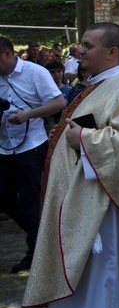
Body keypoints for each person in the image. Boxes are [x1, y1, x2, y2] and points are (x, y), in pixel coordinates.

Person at [22, 23, 119, 308]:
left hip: (102, 205)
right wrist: (66, 134)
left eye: (88, 45)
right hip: (86, 195)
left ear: (112, 52)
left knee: (100, 273)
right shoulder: (98, 85)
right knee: (90, 274)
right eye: (81, 44)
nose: (79, 51)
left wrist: (80, 136)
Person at [0, 37, 66, 273]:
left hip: (31, 145)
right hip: (4, 146)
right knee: (4, 196)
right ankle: (41, 236)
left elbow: (59, 102)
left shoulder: (35, 72)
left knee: (31, 198)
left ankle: (36, 252)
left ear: (7, 54)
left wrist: (28, 115)